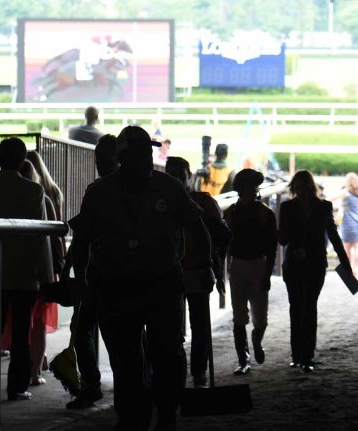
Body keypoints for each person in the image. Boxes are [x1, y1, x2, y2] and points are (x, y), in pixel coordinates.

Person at [70, 125, 212, 430]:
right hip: (115, 287)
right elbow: (81, 242)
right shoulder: (99, 193)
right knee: (125, 361)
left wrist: (206, 265)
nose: (147, 158)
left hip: (161, 284)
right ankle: (132, 416)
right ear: (123, 157)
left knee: (167, 355)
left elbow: (197, 226)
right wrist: (81, 280)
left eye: (148, 151)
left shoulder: (169, 188)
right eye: (139, 153)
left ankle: (166, 414)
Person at [0, 137, 53, 402]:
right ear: (22, 161)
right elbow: (40, 238)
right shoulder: (33, 191)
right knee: (21, 333)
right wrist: (46, 276)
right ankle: (17, 386)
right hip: (23, 274)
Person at [63, 134, 119, 409]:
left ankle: (91, 385)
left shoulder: (97, 190)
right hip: (129, 271)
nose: (98, 163)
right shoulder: (137, 188)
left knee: (82, 328)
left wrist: (76, 272)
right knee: (125, 332)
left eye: (100, 158)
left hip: (100, 273)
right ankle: (135, 382)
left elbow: (82, 235)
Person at [165, 156, 230, 387]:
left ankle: (197, 372)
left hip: (193, 269)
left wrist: (211, 262)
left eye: (178, 175)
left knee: (197, 324)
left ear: (187, 177)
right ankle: (187, 372)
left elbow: (222, 236)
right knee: (174, 325)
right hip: (170, 271)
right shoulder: (198, 202)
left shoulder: (201, 202)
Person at [278, 170, 352, 373]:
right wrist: (345, 262)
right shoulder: (322, 207)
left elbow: (283, 239)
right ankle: (304, 355)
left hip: (299, 262)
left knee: (300, 306)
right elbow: (333, 236)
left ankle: (301, 355)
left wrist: (344, 261)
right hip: (312, 262)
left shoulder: (289, 207)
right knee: (307, 306)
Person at [12, 160, 60, 388]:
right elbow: (54, 236)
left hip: (15, 269)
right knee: (39, 322)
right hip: (40, 268)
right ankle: (35, 371)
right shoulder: (43, 198)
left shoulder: (11, 200)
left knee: (19, 323)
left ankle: (22, 369)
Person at [224, 168, 277, 376]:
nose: (252, 191)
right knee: (239, 315)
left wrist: (267, 273)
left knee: (260, 318)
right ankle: (243, 358)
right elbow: (224, 245)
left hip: (257, 264)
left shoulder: (265, 214)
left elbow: (272, 246)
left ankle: (256, 339)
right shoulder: (232, 213)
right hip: (239, 264)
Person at [335, 173, 358, 275]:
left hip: (348, 222)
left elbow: (330, 198)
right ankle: (355, 268)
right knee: (357, 247)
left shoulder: (345, 193)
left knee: (347, 248)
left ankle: (348, 269)